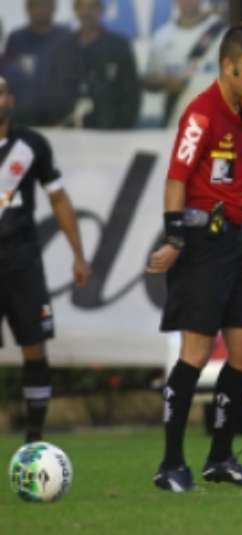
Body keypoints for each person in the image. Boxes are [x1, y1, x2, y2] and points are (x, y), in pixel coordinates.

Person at [145, 23, 242, 493]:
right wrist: (175, 237)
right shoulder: (200, 114)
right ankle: (170, 463)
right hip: (202, 243)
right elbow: (176, 177)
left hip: (235, 240)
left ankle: (220, 458)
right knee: (195, 353)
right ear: (228, 66)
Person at [0, 76, 91, 444]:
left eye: (3, 90)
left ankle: (34, 438)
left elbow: (58, 198)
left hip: (21, 259)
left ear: (11, 99)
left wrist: (79, 255)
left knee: (34, 345)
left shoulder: (31, 145)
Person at [46, 0, 141, 129]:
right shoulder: (63, 48)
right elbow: (52, 89)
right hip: (67, 130)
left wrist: (121, 128)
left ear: (101, 10)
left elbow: (132, 92)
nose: (87, 12)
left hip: (111, 131)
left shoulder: (119, 46)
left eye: (92, 7)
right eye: (82, 7)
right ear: (75, 10)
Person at [144, 0, 225, 125]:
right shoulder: (162, 36)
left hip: (214, 121)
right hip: (175, 122)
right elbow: (149, 80)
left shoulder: (222, 32)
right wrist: (165, 82)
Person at [4, 0, 71, 126]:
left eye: (45, 5)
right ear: (28, 8)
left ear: (53, 8)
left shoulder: (66, 37)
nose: (41, 9)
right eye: (37, 5)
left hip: (60, 117)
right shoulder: (16, 38)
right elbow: (8, 78)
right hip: (22, 116)